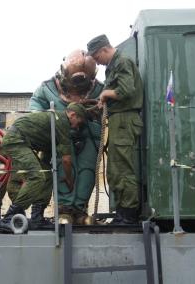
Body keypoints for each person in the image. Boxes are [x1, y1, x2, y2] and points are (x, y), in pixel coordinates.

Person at [29, 49, 104, 224]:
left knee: (87, 171)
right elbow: (36, 103)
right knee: (63, 169)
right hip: (60, 136)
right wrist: (43, 118)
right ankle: (64, 209)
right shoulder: (48, 87)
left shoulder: (100, 89)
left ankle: (79, 209)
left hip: (90, 136)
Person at [0, 102, 87, 227]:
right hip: (16, 140)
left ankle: (37, 217)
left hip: (23, 142)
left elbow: (46, 155)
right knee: (36, 176)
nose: (77, 127)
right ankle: (9, 217)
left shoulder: (55, 123)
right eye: (79, 122)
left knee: (47, 176)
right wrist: (69, 179)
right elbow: (66, 160)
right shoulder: (62, 122)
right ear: (72, 115)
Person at [86, 34, 144, 225]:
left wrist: (106, 93)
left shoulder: (122, 62)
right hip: (119, 119)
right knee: (114, 170)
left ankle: (128, 215)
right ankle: (121, 212)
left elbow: (127, 90)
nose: (97, 63)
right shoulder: (113, 66)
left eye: (96, 58)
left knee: (123, 169)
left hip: (125, 120)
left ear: (104, 50)